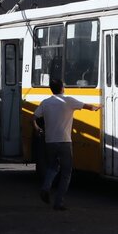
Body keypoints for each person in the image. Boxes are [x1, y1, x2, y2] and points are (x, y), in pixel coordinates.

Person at [32, 78, 99, 211]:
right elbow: (89, 107)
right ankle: (59, 202)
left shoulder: (45, 102)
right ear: (62, 88)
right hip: (64, 141)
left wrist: (37, 128)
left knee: (53, 167)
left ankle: (45, 187)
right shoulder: (68, 101)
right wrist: (98, 107)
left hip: (50, 141)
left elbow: (34, 117)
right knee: (66, 172)